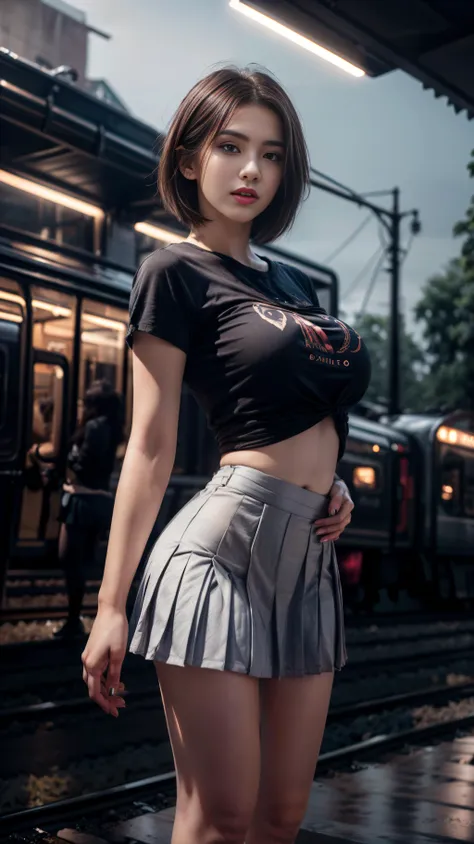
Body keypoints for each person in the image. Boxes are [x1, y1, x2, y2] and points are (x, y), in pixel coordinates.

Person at [81, 65, 371, 844]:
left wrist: (332, 477)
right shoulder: (171, 273)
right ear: (188, 159)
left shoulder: (295, 283)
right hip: (221, 554)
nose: (252, 171)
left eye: (272, 155)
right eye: (231, 146)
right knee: (221, 816)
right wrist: (112, 608)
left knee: (281, 818)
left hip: (308, 559)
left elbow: (293, 405)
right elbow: (149, 443)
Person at [55, 379, 123, 639]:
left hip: (83, 500)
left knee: (70, 559)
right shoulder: (112, 427)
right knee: (82, 560)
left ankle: (74, 620)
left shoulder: (95, 427)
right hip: (98, 499)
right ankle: (81, 618)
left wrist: (68, 457)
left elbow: (84, 463)